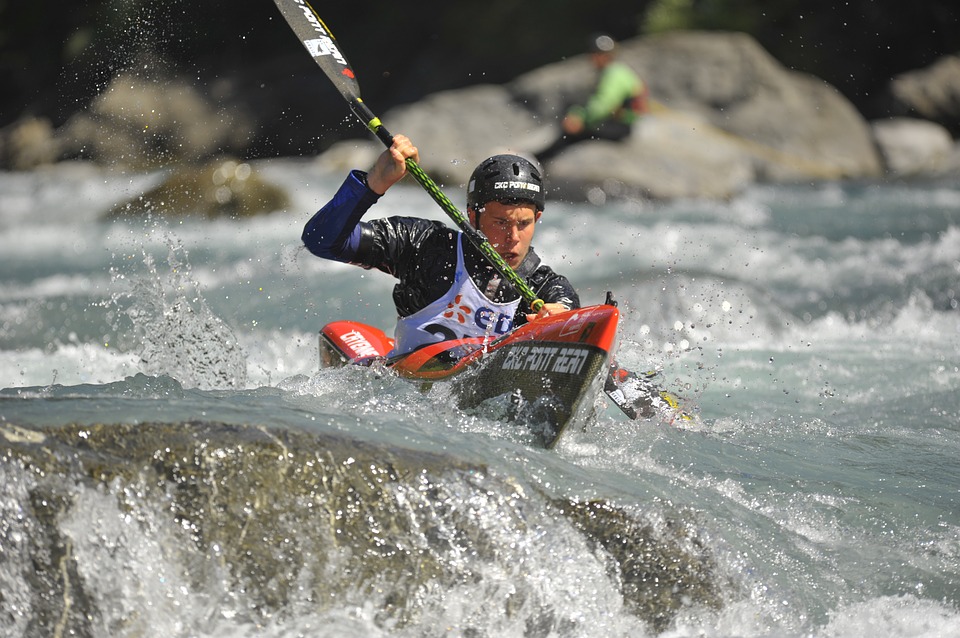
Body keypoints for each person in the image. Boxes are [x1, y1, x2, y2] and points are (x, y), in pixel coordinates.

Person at [302, 134, 580, 357]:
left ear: (538, 218)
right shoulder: (426, 246)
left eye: (524, 224)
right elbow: (322, 241)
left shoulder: (545, 287)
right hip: (406, 390)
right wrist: (374, 182)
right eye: (501, 223)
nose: (513, 237)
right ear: (473, 216)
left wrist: (561, 319)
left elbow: (567, 309)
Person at [536, 33, 648, 164]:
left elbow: (604, 105)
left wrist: (580, 119)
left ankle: (539, 159)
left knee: (572, 133)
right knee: (571, 117)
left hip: (620, 127)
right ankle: (540, 158)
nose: (593, 57)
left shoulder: (614, 73)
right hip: (618, 124)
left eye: (597, 53)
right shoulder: (617, 71)